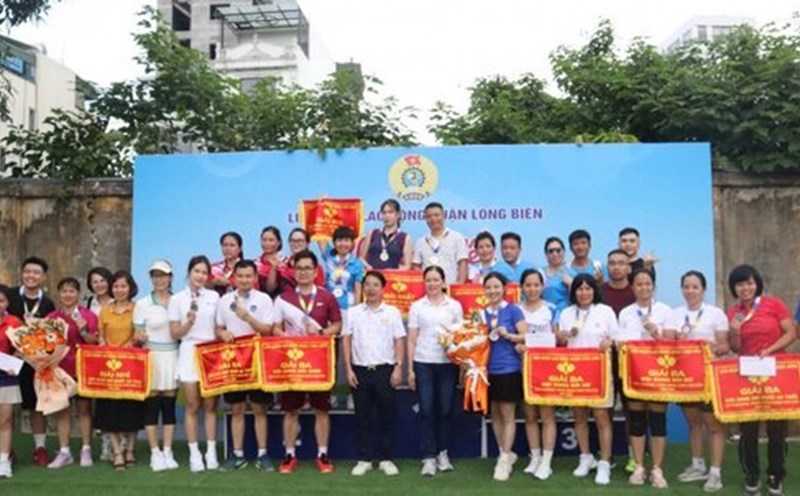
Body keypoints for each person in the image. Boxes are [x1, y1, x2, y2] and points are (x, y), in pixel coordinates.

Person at [726, 265, 796, 496]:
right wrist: (735, 331)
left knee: (777, 428)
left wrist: (770, 349)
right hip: (747, 374)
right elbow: (735, 348)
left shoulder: (773, 304)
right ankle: (752, 475)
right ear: (734, 288)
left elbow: (791, 333)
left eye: (749, 283)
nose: (745, 288)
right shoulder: (733, 312)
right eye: (740, 284)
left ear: (756, 284)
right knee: (748, 429)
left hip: (776, 371)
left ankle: (776, 476)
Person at [273, 250, 342, 474]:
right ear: (293, 272)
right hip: (293, 364)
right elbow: (275, 327)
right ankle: (289, 455)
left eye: (307, 268)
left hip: (319, 364)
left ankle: (323, 454)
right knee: (291, 411)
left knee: (321, 410)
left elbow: (337, 326)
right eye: (299, 268)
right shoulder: (283, 299)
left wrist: (321, 331)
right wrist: (280, 335)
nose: (303, 272)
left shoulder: (327, 297)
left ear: (315, 271)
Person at [618, 268, 677, 489]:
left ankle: (657, 469)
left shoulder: (665, 311)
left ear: (653, 286)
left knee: (658, 421)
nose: (644, 288)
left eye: (648, 284)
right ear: (632, 287)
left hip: (658, 374)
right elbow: (619, 339)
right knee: (637, 421)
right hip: (634, 373)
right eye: (639, 284)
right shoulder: (625, 313)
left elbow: (672, 342)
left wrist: (657, 332)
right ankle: (640, 466)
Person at [343, 271, 405, 477]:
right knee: (362, 417)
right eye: (367, 284)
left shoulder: (392, 312)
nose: (370, 289)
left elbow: (399, 340)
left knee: (387, 415)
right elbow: (346, 340)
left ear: (382, 288)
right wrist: (349, 369)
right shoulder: (353, 313)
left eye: (375, 285)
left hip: (385, 370)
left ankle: (386, 459)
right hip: (360, 370)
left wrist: (398, 367)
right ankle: (364, 459)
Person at [557, 274, 617, 486]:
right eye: (580, 289)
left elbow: (615, 338)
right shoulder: (566, 312)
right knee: (579, 416)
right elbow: (560, 340)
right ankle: (585, 457)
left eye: (588, 288)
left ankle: (604, 462)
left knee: (601, 416)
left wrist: (608, 342)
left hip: (599, 371)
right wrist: (563, 336)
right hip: (575, 373)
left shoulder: (605, 311)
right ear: (574, 292)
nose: (584, 292)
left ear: (594, 290)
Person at [215, 260, 275, 472]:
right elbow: (218, 328)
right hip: (234, 361)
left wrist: (248, 317)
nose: (244, 280)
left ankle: (263, 453)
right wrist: (223, 333)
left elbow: (268, 330)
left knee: (259, 408)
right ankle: (237, 455)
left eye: (248, 276)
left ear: (255, 278)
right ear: (234, 278)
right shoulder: (224, 301)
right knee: (237, 408)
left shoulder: (265, 299)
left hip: (258, 359)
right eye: (240, 276)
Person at [673, 270, 730, 493]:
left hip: (708, 378)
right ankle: (698, 465)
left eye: (695, 287)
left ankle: (715, 473)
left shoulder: (716, 314)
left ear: (703, 290)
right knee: (693, 422)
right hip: (685, 378)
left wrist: (714, 347)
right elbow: (667, 343)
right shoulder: (675, 314)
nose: (690, 291)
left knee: (713, 426)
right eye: (686, 286)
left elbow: (725, 345)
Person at [407, 266, 464, 477]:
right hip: (423, 362)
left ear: (443, 281)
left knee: (446, 409)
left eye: (436, 280)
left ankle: (443, 453)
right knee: (427, 409)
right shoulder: (417, 306)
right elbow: (412, 338)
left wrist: (461, 365)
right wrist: (411, 368)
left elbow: (461, 338)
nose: (432, 284)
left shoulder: (454, 306)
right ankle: (428, 457)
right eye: (428, 280)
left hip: (447, 364)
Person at [168, 255, 221, 473]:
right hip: (188, 352)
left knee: (211, 406)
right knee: (192, 405)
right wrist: (189, 322)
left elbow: (219, 326)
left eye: (203, 272)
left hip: (211, 353)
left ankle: (211, 450)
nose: (200, 276)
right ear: (189, 272)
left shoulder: (215, 296)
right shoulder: (177, 299)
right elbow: (175, 332)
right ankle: (194, 453)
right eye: (196, 271)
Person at [7, 256, 56, 467]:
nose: (31, 276)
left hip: (35, 364)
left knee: (36, 407)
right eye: (28, 271)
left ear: (43, 277)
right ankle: (6, 450)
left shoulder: (47, 303)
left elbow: (51, 336)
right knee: (6, 407)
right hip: (7, 362)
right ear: (22, 273)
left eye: (36, 272)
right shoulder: (8, 296)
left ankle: (40, 448)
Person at [45, 277, 99, 469]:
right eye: (64, 291)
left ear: (78, 294)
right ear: (59, 294)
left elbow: (94, 342)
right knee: (62, 411)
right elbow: (45, 346)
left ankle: (86, 449)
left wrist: (83, 328)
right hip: (59, 370)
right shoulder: (51, 317)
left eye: (72, 291)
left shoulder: (89, 315)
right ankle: (65, 452)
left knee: (84, 410)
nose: (68, 295)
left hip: (82, 368)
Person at [94, 270, 145, 471]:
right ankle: (116, 452)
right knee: (109, 411)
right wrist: (103, 344)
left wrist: (129, 346)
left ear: (130, 288)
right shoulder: (105, 310)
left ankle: (130, 449)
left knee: (130, 410)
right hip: (108, 367)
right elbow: (100, 335)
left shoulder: (137, 308)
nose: (119, 290)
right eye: (116, 286)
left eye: (123, 286)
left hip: (131, 366)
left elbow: (139, 334)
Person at [134, 260, 180, 472]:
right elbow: (137, 334)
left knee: (168, 407)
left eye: (163, 275)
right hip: (151, 356)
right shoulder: (143, 303)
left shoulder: (178, 301)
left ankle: (168, 450)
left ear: (170, 278)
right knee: (152, 406)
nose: (159, 279)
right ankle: (155, 452)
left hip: (172, 354)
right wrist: (139, 336)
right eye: (155, 275)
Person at [482, 272, 526, 482]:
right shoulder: (481, 314)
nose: (492, 291)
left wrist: (508, 335)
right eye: (489, 287)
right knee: (495, 413)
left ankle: (504, 458)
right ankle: (505, 452)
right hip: (487, 370)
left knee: (508, 414)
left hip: (509, 368)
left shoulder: (514, 310)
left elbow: (526, 336)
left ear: (504, 289)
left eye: (496, 287)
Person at [516, 269, 558, 480]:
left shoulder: (552, 309)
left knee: (547, 415)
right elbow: (514, 337)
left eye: (536, 285)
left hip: (546, 370)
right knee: (530, 415)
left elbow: (558, 338)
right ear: (522, 287)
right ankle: (535, 457)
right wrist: (519, 346)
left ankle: (547, 461)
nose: (532, 289)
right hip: (523, 369)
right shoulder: (515, 310)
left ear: (542, 287)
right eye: (528, 285)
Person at [601, 249, 636, 472]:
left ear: (629, 267)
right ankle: (607, 456)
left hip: (632, 361)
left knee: (632, 409)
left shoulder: (637, 291)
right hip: (603, 361)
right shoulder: (599, 291)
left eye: (621, 263)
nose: (616, 267)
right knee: (605, 410)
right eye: (612, 263)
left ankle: (634, 454)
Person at [412, 202, 468, 284]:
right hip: (428, 289)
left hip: (450, 288)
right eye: (429, 216)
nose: (433, 219)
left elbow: (463, 263)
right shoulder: (420, 242)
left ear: (443, 216)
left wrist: (459, 285)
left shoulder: (456, 237)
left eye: (436, 215)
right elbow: (416, 267)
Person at [0, 284, 23, 478]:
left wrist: (16, 357)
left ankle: (4, 460)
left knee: (5, 420)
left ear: (7, 303)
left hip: (6, 376)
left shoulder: (14, 322)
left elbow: (23, 347)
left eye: (1, 301)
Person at [320, 226, 365, 314]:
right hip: (329, 306)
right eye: (339, 240)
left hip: (348, 307)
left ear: (352, 243)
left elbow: (358, 289)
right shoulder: (329, 256)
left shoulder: (357, 263)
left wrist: (356, 312)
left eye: (346, 241)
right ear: (334, 242)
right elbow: (319, 236)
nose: (343, 244)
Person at [359, 199, 413, 270]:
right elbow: (360, 258)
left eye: (390, 212)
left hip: (392, 278)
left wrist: (392, 271)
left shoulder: (405, 238)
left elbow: (407, 267)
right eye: (384, 213)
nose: (387, 216)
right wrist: (368, 267)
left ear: (398, 214)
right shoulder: (373, 233)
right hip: (372, 276)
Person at [208, 232, 244, 296]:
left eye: (232, 245)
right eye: (225, 245)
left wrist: (231, 283)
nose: (228, 249)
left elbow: (255, 288)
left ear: (240, 248)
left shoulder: (247, 268)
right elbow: (202, 289)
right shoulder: (214, 268)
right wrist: (213, 282)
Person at [541, 237, 570, 312]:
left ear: (563, 252)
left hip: (565, 315)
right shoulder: (540, 273)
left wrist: (572, 284)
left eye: (558, 250)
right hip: (544, 315)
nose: (555, 254)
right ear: (545, 254)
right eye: (551, 251)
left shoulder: (571, 272)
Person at [255, 226, 285, 298]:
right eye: (264, 240)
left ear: (279, 242)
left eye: (271, 240)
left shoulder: (286, 262)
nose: (267, 243)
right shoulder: (255, 264)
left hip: (284, 302)